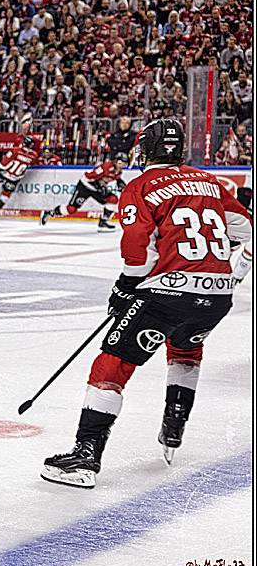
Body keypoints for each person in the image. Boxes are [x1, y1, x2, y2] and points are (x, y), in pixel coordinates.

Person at [41, 119, 251, 489]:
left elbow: (138, 250)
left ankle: (85, 456)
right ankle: (173, 432)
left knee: (113, 363)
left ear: (145, 150)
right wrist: (233, 277)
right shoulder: (211, 182)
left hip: (167, 295)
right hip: (217, 297)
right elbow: (245, 229)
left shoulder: (140, 186)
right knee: (186, 351)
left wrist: (124, 289)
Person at [40, 153, 128, 230]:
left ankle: (103, 221)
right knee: (71, 209)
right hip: (85, 186)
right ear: (115, 162)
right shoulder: (106, 167)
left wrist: (120, 183)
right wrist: (97, 185)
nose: (121, 166)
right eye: (120, 163)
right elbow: (89, 176)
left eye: (123, 164)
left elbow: (117, 178)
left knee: (113, 199)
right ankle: (50, 212)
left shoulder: (118, 172)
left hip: (96, 189)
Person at [0, 134, 39, 217]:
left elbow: (4, 163)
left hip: (4, 173)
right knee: (6, 195)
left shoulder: (15, 150)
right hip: (15, 178)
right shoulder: (34, 155)